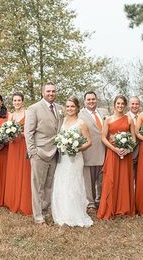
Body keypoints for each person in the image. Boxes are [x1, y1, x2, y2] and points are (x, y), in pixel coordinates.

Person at [24, 82, 63, 224]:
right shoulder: (33, 108)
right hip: (39, 153)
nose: (51, 93)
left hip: (54, 153)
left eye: (53, 91)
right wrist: (32, 152)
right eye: (48, 91)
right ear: (43, 92)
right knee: (37, 186)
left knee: (49, 185)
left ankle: (45, 211)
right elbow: (28, 132)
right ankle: (38, 215)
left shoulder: (60, 108)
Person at [51, 96, 93, 227]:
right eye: (68, 106)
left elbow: (89, 142)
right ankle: (62, 213)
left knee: (74, 183)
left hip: (75, 159)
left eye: (72, 106)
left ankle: (75, 214)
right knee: (62, 182)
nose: (70, 109)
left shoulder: (81, 123)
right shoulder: (61, 121)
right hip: (63, 158)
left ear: (77, 108)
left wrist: (76, 148)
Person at [97, 95, 136, 220]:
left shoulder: (129, 120)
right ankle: (110, 207)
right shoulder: (108, 120)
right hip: (112, 153)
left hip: (125, 155)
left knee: (124, 179)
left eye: (122, 104)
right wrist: (114, 149)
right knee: (110, 179)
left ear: (125, 105)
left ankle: (123, 207)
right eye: (118, 103)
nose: (120, 106)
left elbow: (134, 139)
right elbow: (103, 137)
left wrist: (127, 149)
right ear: (114, 104)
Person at [78, 91, 107, 211]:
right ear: (84, 101)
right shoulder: (80, 115)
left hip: (104, 150)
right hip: (89, 152)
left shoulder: (104, 112)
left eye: (93, 99)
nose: (91, 101)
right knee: (88, 180)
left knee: (102, 179)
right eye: (88, 99)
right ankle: (90, 203)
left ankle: (100, 201)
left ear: (97, 100)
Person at [4, 92, 32, 215]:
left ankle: (24, 202)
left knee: (25, 171)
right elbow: (6, 133)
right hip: (14, 146)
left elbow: (31, 131)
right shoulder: (11, 116)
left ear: (23, 101)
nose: (16, 102)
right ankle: (13, 201)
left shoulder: (28, 114)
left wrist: (22, 133)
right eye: (14, 100)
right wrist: (10, 136)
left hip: (24, 144)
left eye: (19, 100)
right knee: (14, 171)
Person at [127, 96, 141, 182]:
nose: (134, 106)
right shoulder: (125, 117)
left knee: (141, 181)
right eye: (132, 104)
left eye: (137, 104)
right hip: (129, 154)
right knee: (129, 180)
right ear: (129, 105)